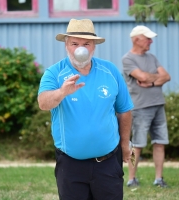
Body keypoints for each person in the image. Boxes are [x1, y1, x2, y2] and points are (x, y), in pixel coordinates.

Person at [37, 18, 134, 200]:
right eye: (75, 43)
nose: (80, 49)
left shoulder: (110, 71)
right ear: (67, 45)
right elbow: (43, 103)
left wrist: (125, 144)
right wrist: (62, 92)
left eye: (86, 44)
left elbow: (124, 110)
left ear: (94, 46)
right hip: (70, 164)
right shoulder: (54, 73)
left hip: (108, 162)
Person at [122, 25, 171, 188]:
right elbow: (141, 76)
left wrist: (149, 82)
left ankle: (159, 179)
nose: (151, 41)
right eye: (147, 38)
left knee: (160, 142)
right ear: (136, 40)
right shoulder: (127, 59)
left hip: (158, 104)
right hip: (140, 107)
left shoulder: (152, 57)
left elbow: (167, 76)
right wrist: (156, 78)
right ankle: (131, 179)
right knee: (137, 144)